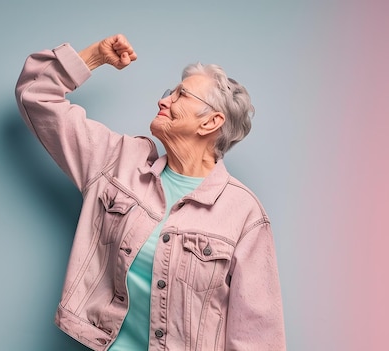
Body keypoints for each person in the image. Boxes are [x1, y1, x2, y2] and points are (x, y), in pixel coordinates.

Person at [15, 34, 285, 351]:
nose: (164, 100)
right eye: (169, 93)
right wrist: (93, 58)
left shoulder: (243, 213)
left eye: (181, 95)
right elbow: (36, 95)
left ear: (211, 122)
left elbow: (257, 335)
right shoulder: (116, 162)